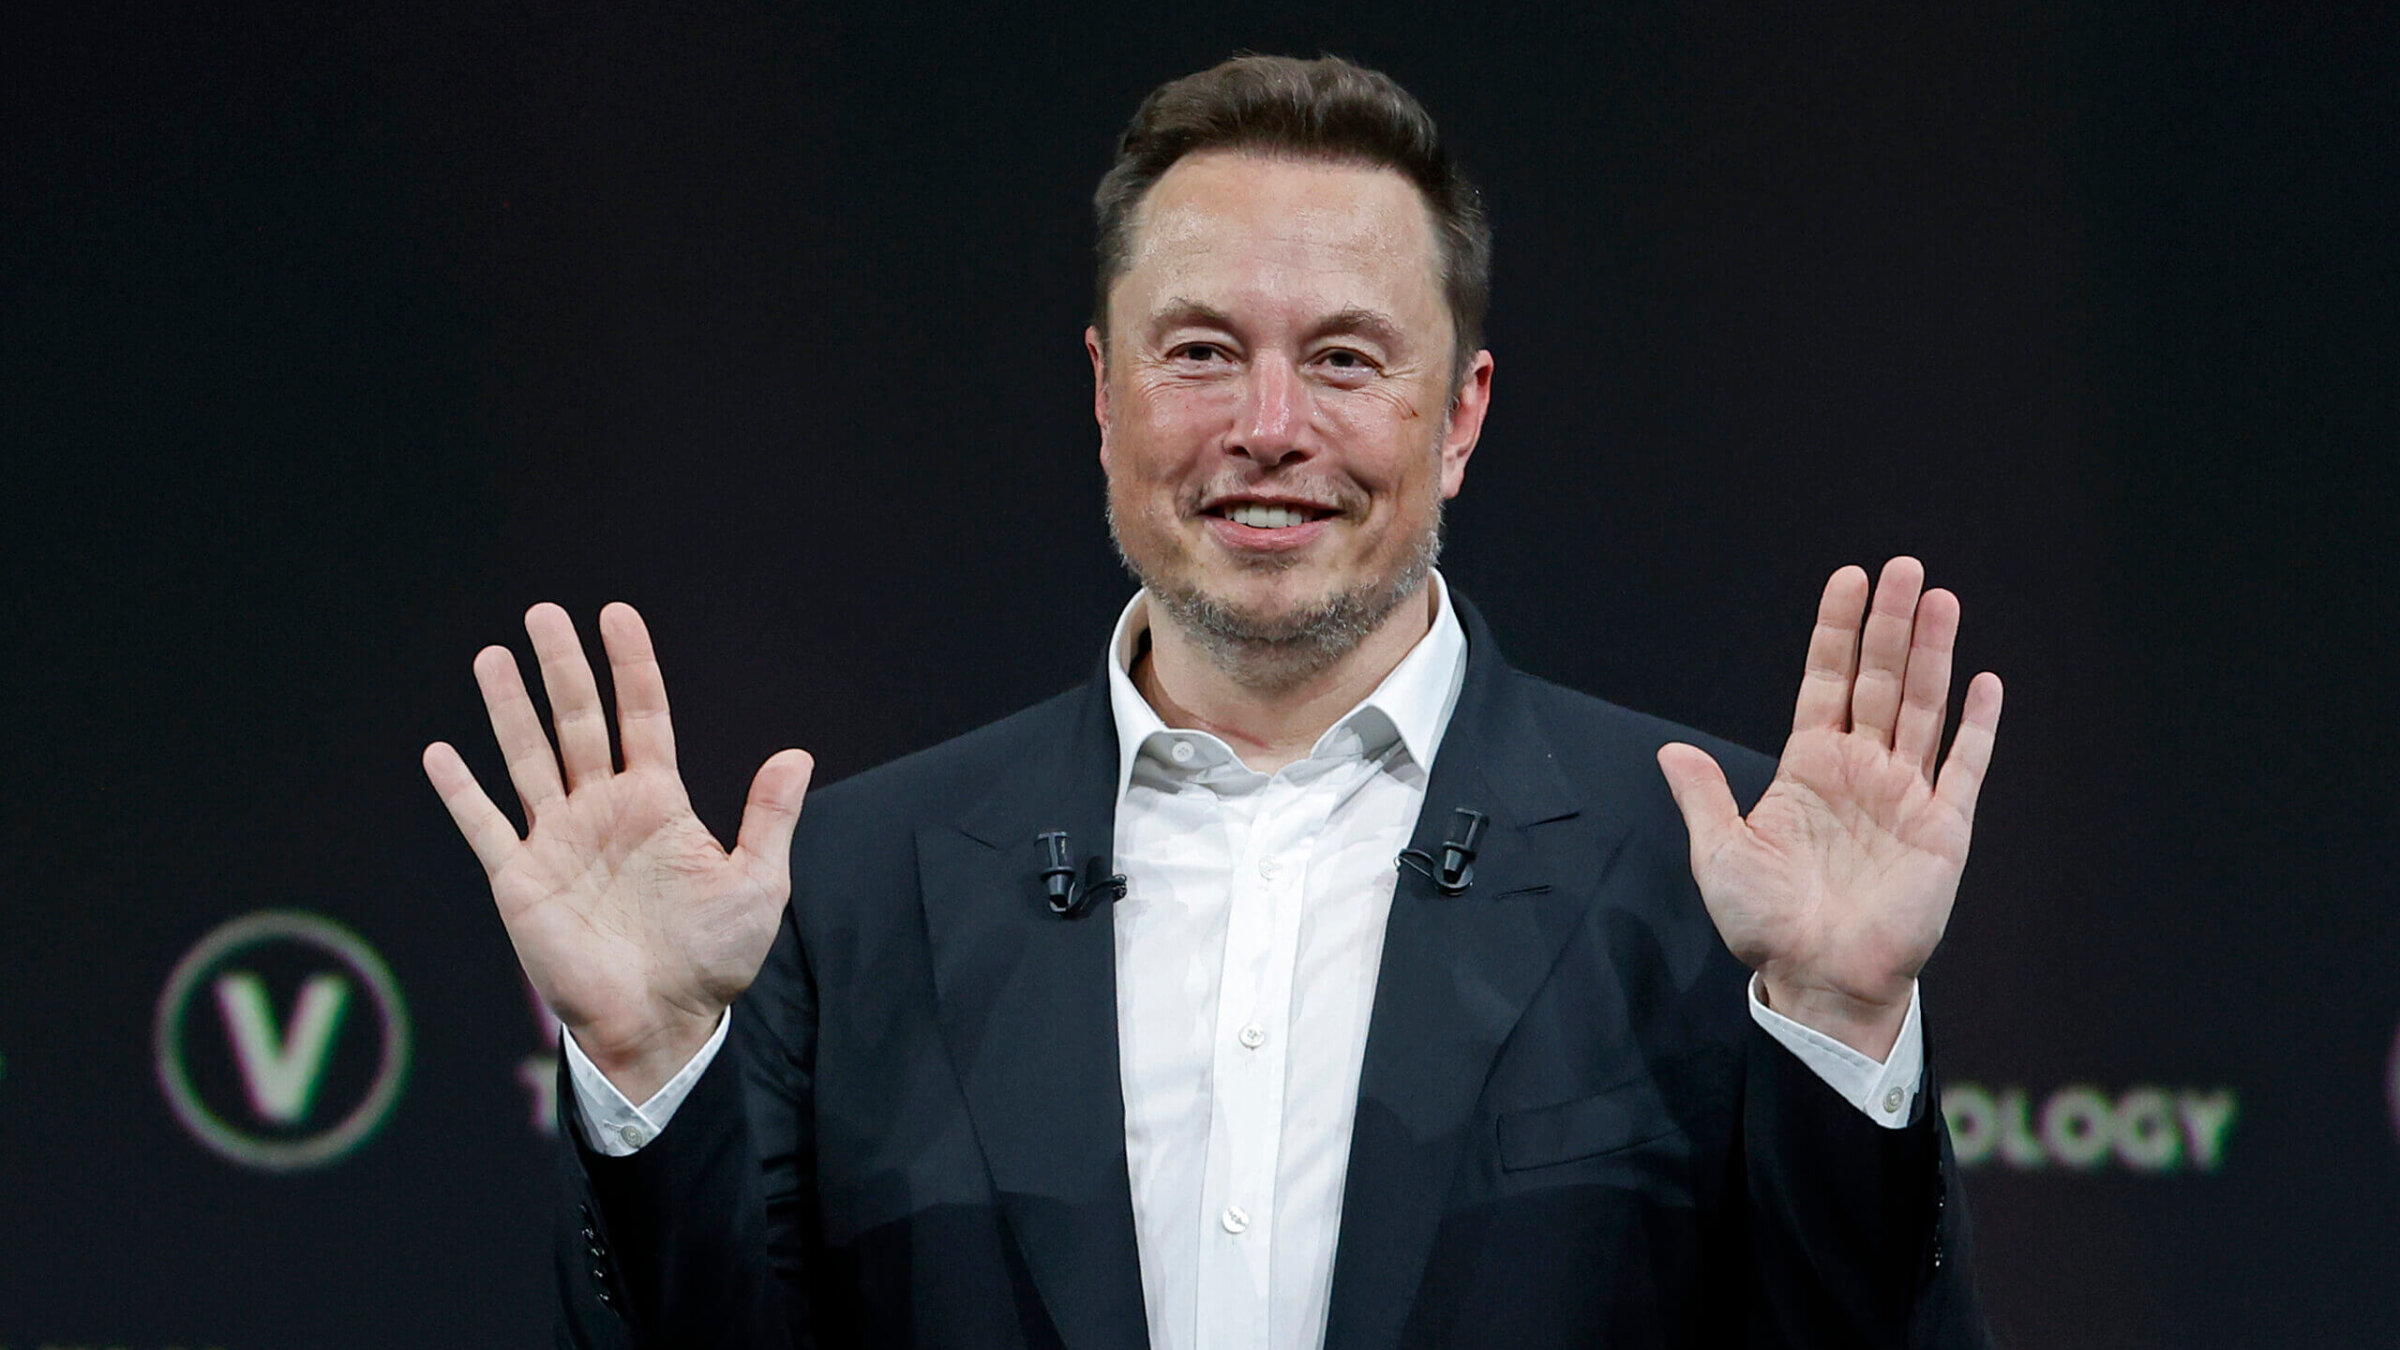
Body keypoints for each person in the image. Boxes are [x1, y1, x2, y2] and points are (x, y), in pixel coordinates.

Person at [424, 55, 2001, 1349]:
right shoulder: (841, 895)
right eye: (1200, 352)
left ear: (1461, 416)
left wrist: (1844, 1033)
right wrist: (647, 1068)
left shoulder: (1712, 883)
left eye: (1342, 358)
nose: (1267, 425)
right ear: (1102, 393)